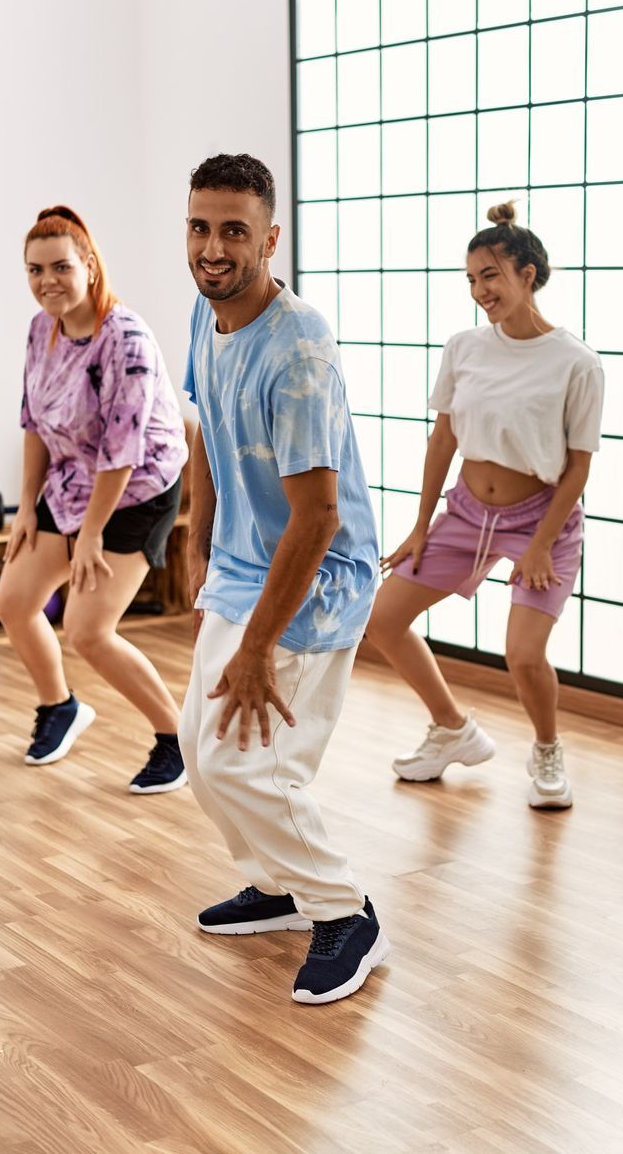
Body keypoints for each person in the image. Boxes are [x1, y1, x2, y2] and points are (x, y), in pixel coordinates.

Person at [175, 153, 389, 1004]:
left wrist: (259, 645)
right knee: (200, 748)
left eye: (234, 231)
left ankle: (344, 911)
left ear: (271, 238)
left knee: (245, 767)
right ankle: (276, 886)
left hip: (316, 578)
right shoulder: (206, 308)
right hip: (240, 563)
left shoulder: (299, 351)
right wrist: (198, 538)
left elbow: (319, 518)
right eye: (200, 227)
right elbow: (202, 422)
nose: (214, 247)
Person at [363, 203, 602, 809]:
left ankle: (547, 750)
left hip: (539, 520)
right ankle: (451, 728)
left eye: (490, 275)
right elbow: (443, 437)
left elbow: (579, 465)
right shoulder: (464, 347)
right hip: (466, 512)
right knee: (382, 618)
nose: (479, 290)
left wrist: (544, 542)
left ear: (528, 273)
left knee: (522, 655)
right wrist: (421, 526)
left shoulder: (577, 362)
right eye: (471, 279)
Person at [0, 206, 191, 793]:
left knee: (87, 630)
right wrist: (27, 505)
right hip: (74, 479)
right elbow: (33, 421)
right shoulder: (41, 328)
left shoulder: (124, 338)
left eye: (59, 267)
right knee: (14, 600)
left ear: (90, 266)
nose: (46, 281)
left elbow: (122, 450)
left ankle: (174, 738)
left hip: (137, 489)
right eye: (34, 270)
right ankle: (60, 706)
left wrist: (91, 535)